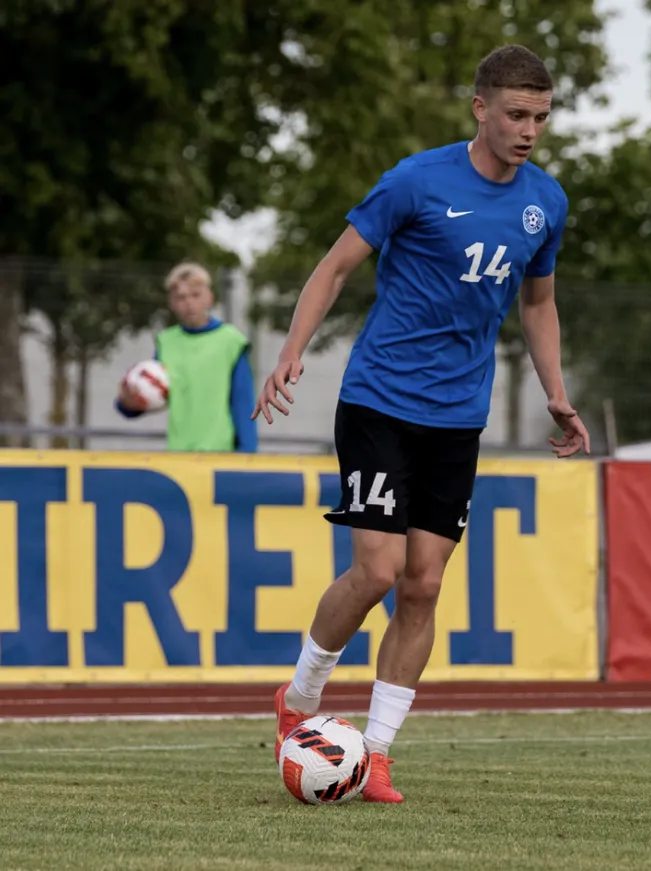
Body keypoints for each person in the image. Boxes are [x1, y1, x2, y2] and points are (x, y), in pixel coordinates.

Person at [252, 44, 590, 804]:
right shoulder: (416, 180)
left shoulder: (546, 203)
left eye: (540, 116)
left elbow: (538, 304)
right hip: (379, 401)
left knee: (425, 584)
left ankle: (373, 755)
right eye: (514, 114)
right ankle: (300, 697)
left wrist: (556, 392)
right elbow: (336, 265)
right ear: (480, 109)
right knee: (377, 570)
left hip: (456, 418)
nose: (529, 129)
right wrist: (291, 352)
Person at [116, 262, 258, 453]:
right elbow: (154, 394)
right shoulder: (166, 343)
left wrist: (248, 455)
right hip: (179, 457)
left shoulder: (231, 342)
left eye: (196, 295)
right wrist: (127, 404)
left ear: (210, 297)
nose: (189, 303)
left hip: (221, 456)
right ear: (171, 303)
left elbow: (243, 403)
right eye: (181, 297)